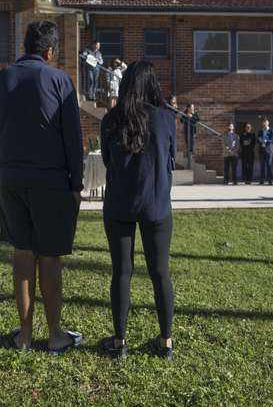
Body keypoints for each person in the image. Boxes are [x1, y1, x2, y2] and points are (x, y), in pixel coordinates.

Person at [0, 21, 84, 354]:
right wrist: (76, 180)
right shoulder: (60, 80)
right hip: (52, 180)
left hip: (11, 178)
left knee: (23, 255)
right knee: (51, 257)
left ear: (25, 46)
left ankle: (24, 336)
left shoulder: (1, 79)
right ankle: (55, 334)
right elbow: (72, 136)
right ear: (50, 51)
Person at [99, 60, 175, 360]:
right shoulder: (166, 118)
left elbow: (107, 161)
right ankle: (166, 342)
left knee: (121, 273)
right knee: (160, 273)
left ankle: (119, 343)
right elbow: (170, 158)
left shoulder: (111, 119)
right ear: (152, 84)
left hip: (119, 203)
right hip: (156, 204)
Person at [256, 118, 273, 185]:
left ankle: (270, 180)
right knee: (262, 165)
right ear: (262, 123)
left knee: (269, 165)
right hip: (262, 150)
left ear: (268, 123)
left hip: (269, 150)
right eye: (264, 122)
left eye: (266, 122)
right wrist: (260, 140)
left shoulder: (272, 130)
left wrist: (266, 141)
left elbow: (272, 139)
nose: (265, 123)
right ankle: (262, 180)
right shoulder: (260, 131)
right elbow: (257, 140)